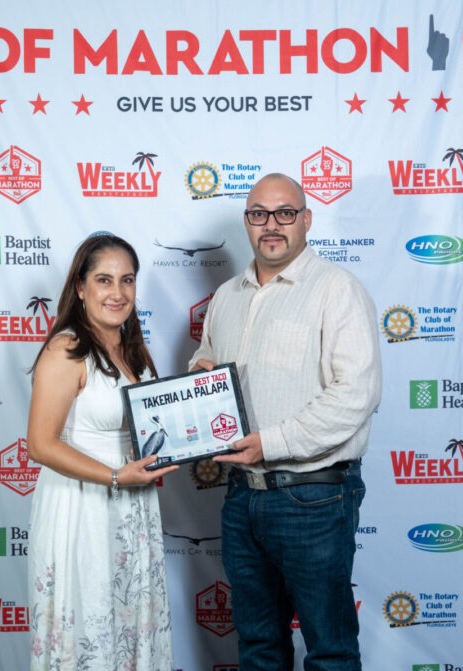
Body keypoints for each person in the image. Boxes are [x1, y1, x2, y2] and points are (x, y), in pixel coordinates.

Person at [190, 173, 382, 670]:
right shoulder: (227, 296)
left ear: (306, 220)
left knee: (330, 651)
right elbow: (206, 359)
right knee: (258, 647)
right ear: (247, 223)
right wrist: (200, 377)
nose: (271, 225)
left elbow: (356, 394)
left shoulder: (336, 289)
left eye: (284, 213)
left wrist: (268, 443)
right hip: (241, 496)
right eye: (258, 214)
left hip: (313, 498)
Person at [27, 232, 178, 671]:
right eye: (104, 280)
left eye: (127, 280)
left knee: (130, 627)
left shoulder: (133, 350)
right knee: (89, 627)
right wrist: (115, 477)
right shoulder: (66, 349)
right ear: (80, 287)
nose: (117, 293)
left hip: (132, 507)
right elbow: (40, 444)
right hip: (83, 509)